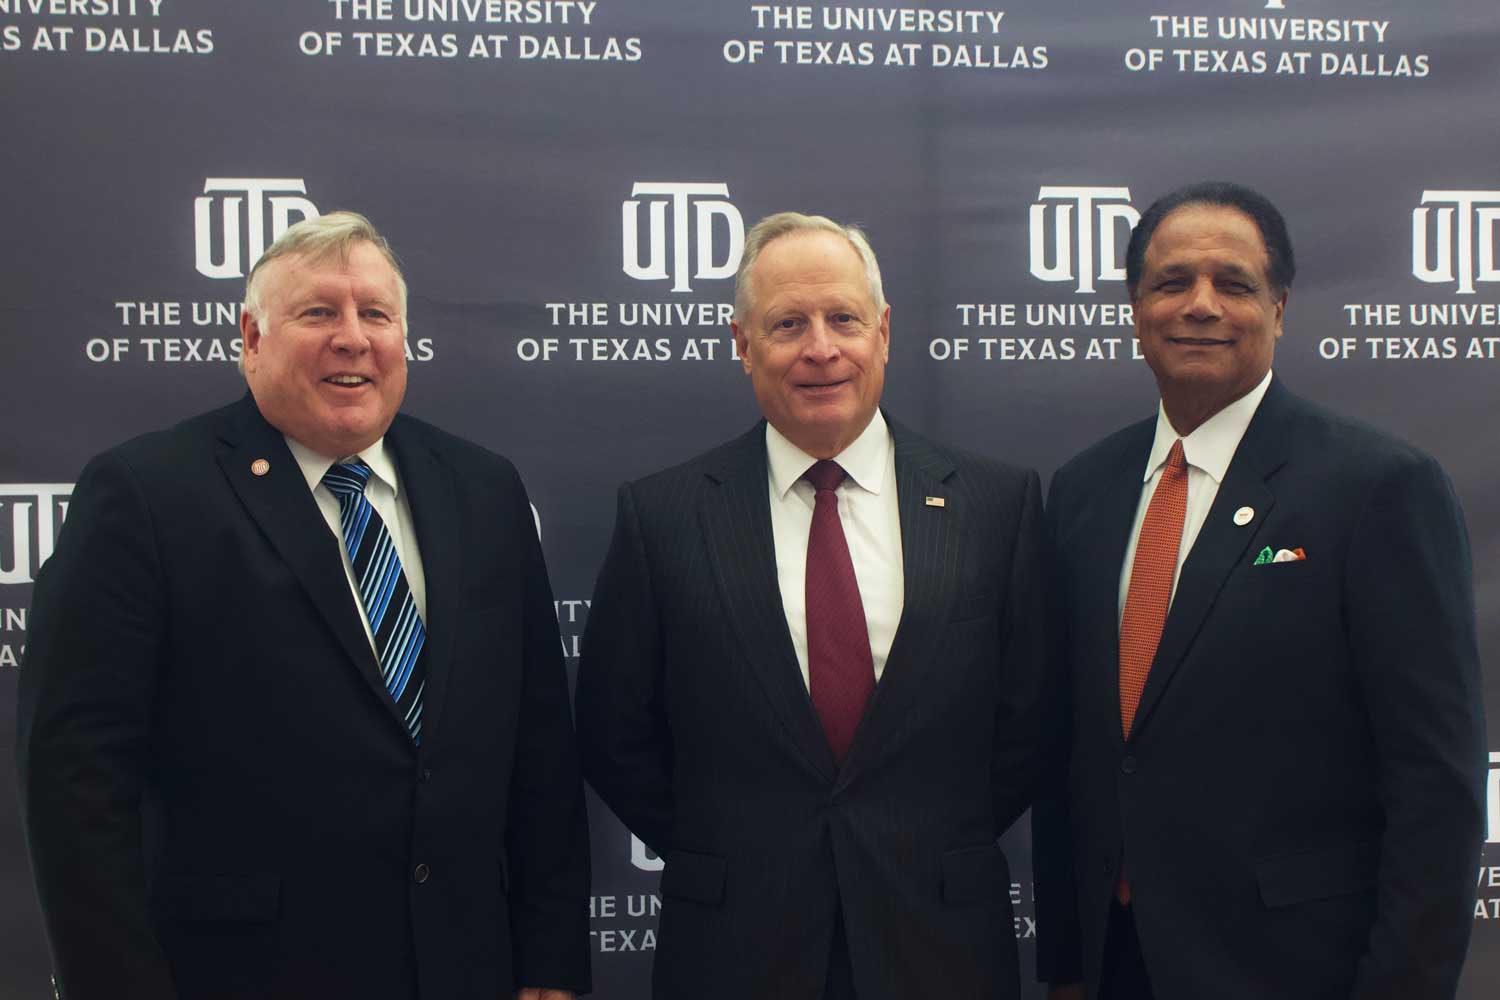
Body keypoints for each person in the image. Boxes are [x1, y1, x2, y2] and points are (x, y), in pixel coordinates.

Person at [17, 211, 590, 1000]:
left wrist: (550, 963)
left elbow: (538, 749)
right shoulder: (147, 494)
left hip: (464, 966)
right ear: (251, 338)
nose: (352, 338)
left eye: (375, 315)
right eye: (318, 312)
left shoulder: (483, 489)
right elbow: (76, 781)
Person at [575, 211, 1046, 999]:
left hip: (941, 942)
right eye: (788, 323)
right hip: (734, 947)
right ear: (743, 346)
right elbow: (615, 733)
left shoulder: (995, 506)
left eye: (843, 319)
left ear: (884, 332)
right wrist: (736, 849)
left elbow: (1029, 724)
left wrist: (913, 838)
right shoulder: (662, 516)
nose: (820, 348)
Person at [1032, 181, 1485, 1000]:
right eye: (1172, 282)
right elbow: (1077, 754)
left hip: (1297, 967)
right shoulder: (1083, 490)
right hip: (1116, 962)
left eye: (1233, 284)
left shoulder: (1380, 487)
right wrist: (1066, 964)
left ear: (1279, 309)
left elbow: (1435, 785)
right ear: (1136, 309)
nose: (1200, 305)